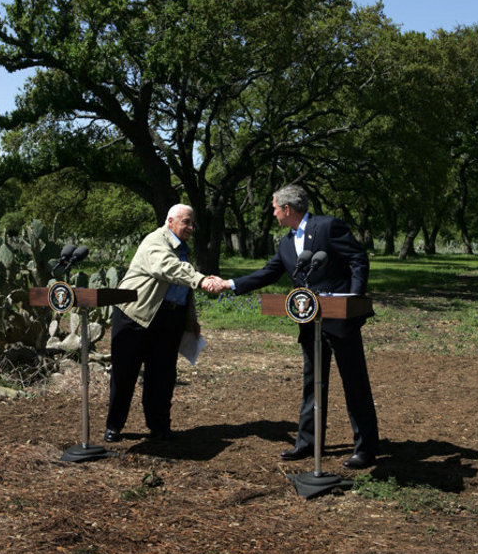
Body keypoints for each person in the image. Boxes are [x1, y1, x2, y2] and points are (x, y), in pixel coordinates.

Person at [218, 185, 379, 469]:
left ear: (287, 208)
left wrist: (354, 300)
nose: (273, 212)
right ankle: (308, 443)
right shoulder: (285, 243)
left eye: (274, 207)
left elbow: (357, 259)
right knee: (312, 385)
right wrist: (229, 284)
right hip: (310, 324)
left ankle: (365, 448)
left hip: (341, 320)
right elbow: (268, 273)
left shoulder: (328, 227)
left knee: (354, 383)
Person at [104, 204, 220, 443]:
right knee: (125, 374)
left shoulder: (183, 248)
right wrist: (201, 279)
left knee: (163, 375)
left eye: (192, 223)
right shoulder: (156, 241)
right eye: (185, 222)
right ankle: (114, 426)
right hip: (135, 316)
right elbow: (167, 268)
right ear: (170, 221)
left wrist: (191, 320)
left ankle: (159, 426)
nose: (190, 227)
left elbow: (181, 289)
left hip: (169, 319)